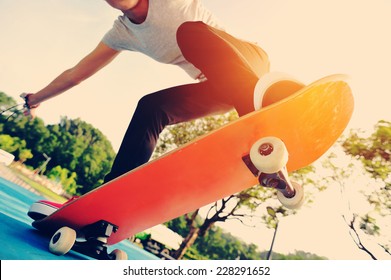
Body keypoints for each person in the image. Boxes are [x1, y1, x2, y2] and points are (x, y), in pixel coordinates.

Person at [26, 0, 271, 219]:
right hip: (220, 90)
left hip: (248, 62)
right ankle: (110, 201)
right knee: (151, 108)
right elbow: (74, 75)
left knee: (190, 33)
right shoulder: (122, 32)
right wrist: (36, 98)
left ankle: (262, 128)